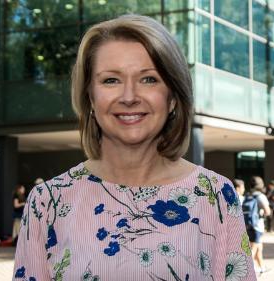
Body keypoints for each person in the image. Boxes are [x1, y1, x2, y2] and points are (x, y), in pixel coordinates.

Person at [13, 15, 256, 281]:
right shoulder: (48, 203)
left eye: (149, 79)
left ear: (173, 97)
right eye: (111, 80)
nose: (129, 97)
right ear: (90, 97)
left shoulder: (216, 197)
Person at [243, 176, 271, 274]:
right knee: (254, 248)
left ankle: (262, 267)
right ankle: (246, 270)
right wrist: (262, 213)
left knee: (259, 247)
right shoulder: (260, 196)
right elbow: (268, 211)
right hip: (257, 226)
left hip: (248, 225)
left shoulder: (248, 195)